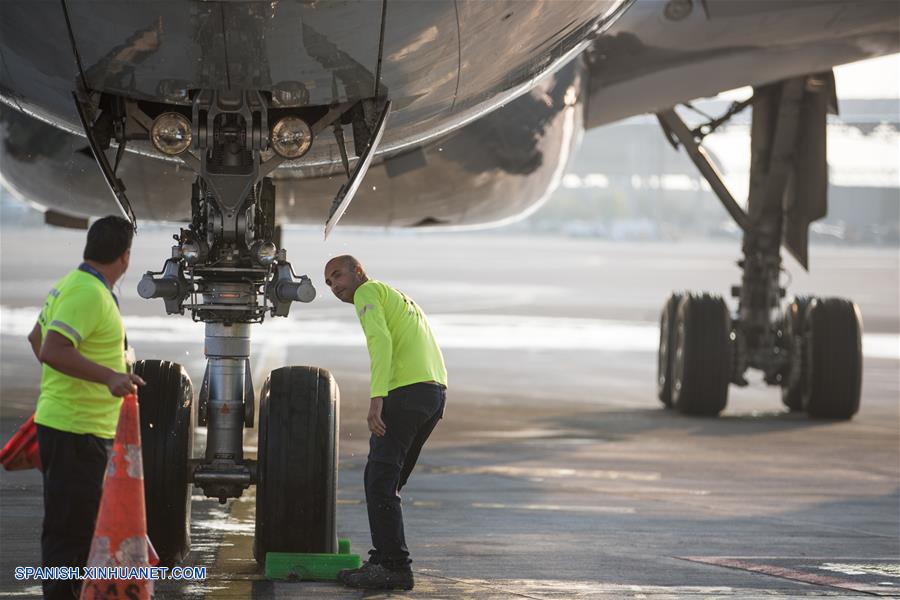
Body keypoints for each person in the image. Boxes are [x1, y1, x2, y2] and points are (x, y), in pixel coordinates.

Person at [26, 215, 145, 599]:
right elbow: (52, 348)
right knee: (71, 534)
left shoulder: (71, 285)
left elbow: (37, 337)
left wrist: (70, 386)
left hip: (74, 426)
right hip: (75, 431)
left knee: (75, 529)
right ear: (125, 258)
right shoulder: (88, 294)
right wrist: (107, 378)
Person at [324, 255, 447, 591]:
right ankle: (384, 558)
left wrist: (377, 396)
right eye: (329, 283)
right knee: (388, 482)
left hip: (405, 393)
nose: (335, 286)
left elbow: (380, 341)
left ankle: (393, 566)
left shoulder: (367, 293)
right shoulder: (396, 295)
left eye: (338, 276)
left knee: (379, 480)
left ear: (358, 271)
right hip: (433, 394)